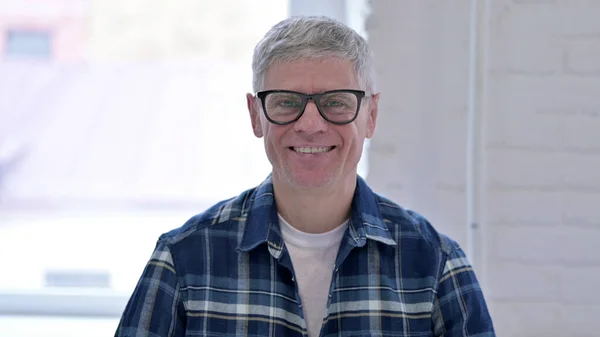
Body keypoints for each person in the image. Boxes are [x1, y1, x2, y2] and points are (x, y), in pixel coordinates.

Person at [114, 15, 496, 337]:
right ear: (254, 115)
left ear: (371, 116)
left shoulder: (436, 264)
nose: (311, 125)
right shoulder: (183, 259)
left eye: (335, 102)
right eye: (286, 102)